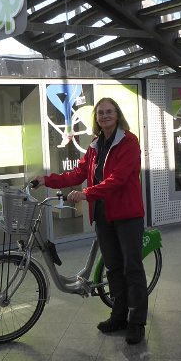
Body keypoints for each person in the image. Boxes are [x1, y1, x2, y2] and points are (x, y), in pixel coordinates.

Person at [34, 97, 147, 344]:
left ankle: (137, 322)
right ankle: (118, 316)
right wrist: (47, 180)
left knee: (132, 268)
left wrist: (87, 193)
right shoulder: (96, 145)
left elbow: (118, 179)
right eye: (100, 113)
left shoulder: (129, 142)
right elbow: (78, 173)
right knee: (114, 268)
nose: (105, 116)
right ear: (96, 118)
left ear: (117, 115)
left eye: (109, 112)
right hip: (103, 214)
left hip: (127, 214)